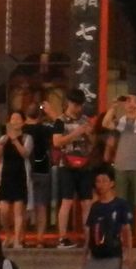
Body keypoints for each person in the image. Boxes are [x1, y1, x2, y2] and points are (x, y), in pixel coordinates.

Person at [83, 168, 135, 269]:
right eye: (98, 181)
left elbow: (127, 230)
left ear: (112, 183)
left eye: (104, 181)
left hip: (112, 254)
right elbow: (89, 230)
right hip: (95, 254)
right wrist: (85, 252)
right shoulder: (95, 206)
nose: (101, 185)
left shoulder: (121, 205)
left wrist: (129, 253)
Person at [52, 94, 95, 248]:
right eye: (75, 105)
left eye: (80, 105)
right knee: (67, 200)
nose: (78, 108)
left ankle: (89, 238)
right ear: (69, 103)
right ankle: (62, 238)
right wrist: (75, 134)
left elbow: (93, 142)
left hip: (84, 164)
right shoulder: (60, 121)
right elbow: (56, 142)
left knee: (87, 202)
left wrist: (89, 134)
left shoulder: (85, 120)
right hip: (67, 164)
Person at [109, 95, 136, 236]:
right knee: (120, 203)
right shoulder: (121, 121)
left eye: (132, 101)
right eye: (127, 101)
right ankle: (119, 235)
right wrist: (114, 107)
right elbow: (105, 123)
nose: (129, 103)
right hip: (122, 165)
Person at [0, 111, 32, 250]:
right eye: (12, 119)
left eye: (18, 119)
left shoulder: (27, 138)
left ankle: (17, 239)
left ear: (23, 122)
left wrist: (15, 140)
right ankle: (8, 235)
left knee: (18, 211)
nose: (15, 121)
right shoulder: (4, 138)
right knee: (3, 211)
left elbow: (25, 153)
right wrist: (0, 145)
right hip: (6, 177)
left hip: (20, 176)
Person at [21, 104, 57, 245]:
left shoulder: (21, 129)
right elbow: (60, 128)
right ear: (40, 115)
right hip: (42, 166)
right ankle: (40, 237)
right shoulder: (45, 129)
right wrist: (52, 113)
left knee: (23, 204)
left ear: (26, 114)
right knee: (41, 204)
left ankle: (21, 236)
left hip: (23, 168)